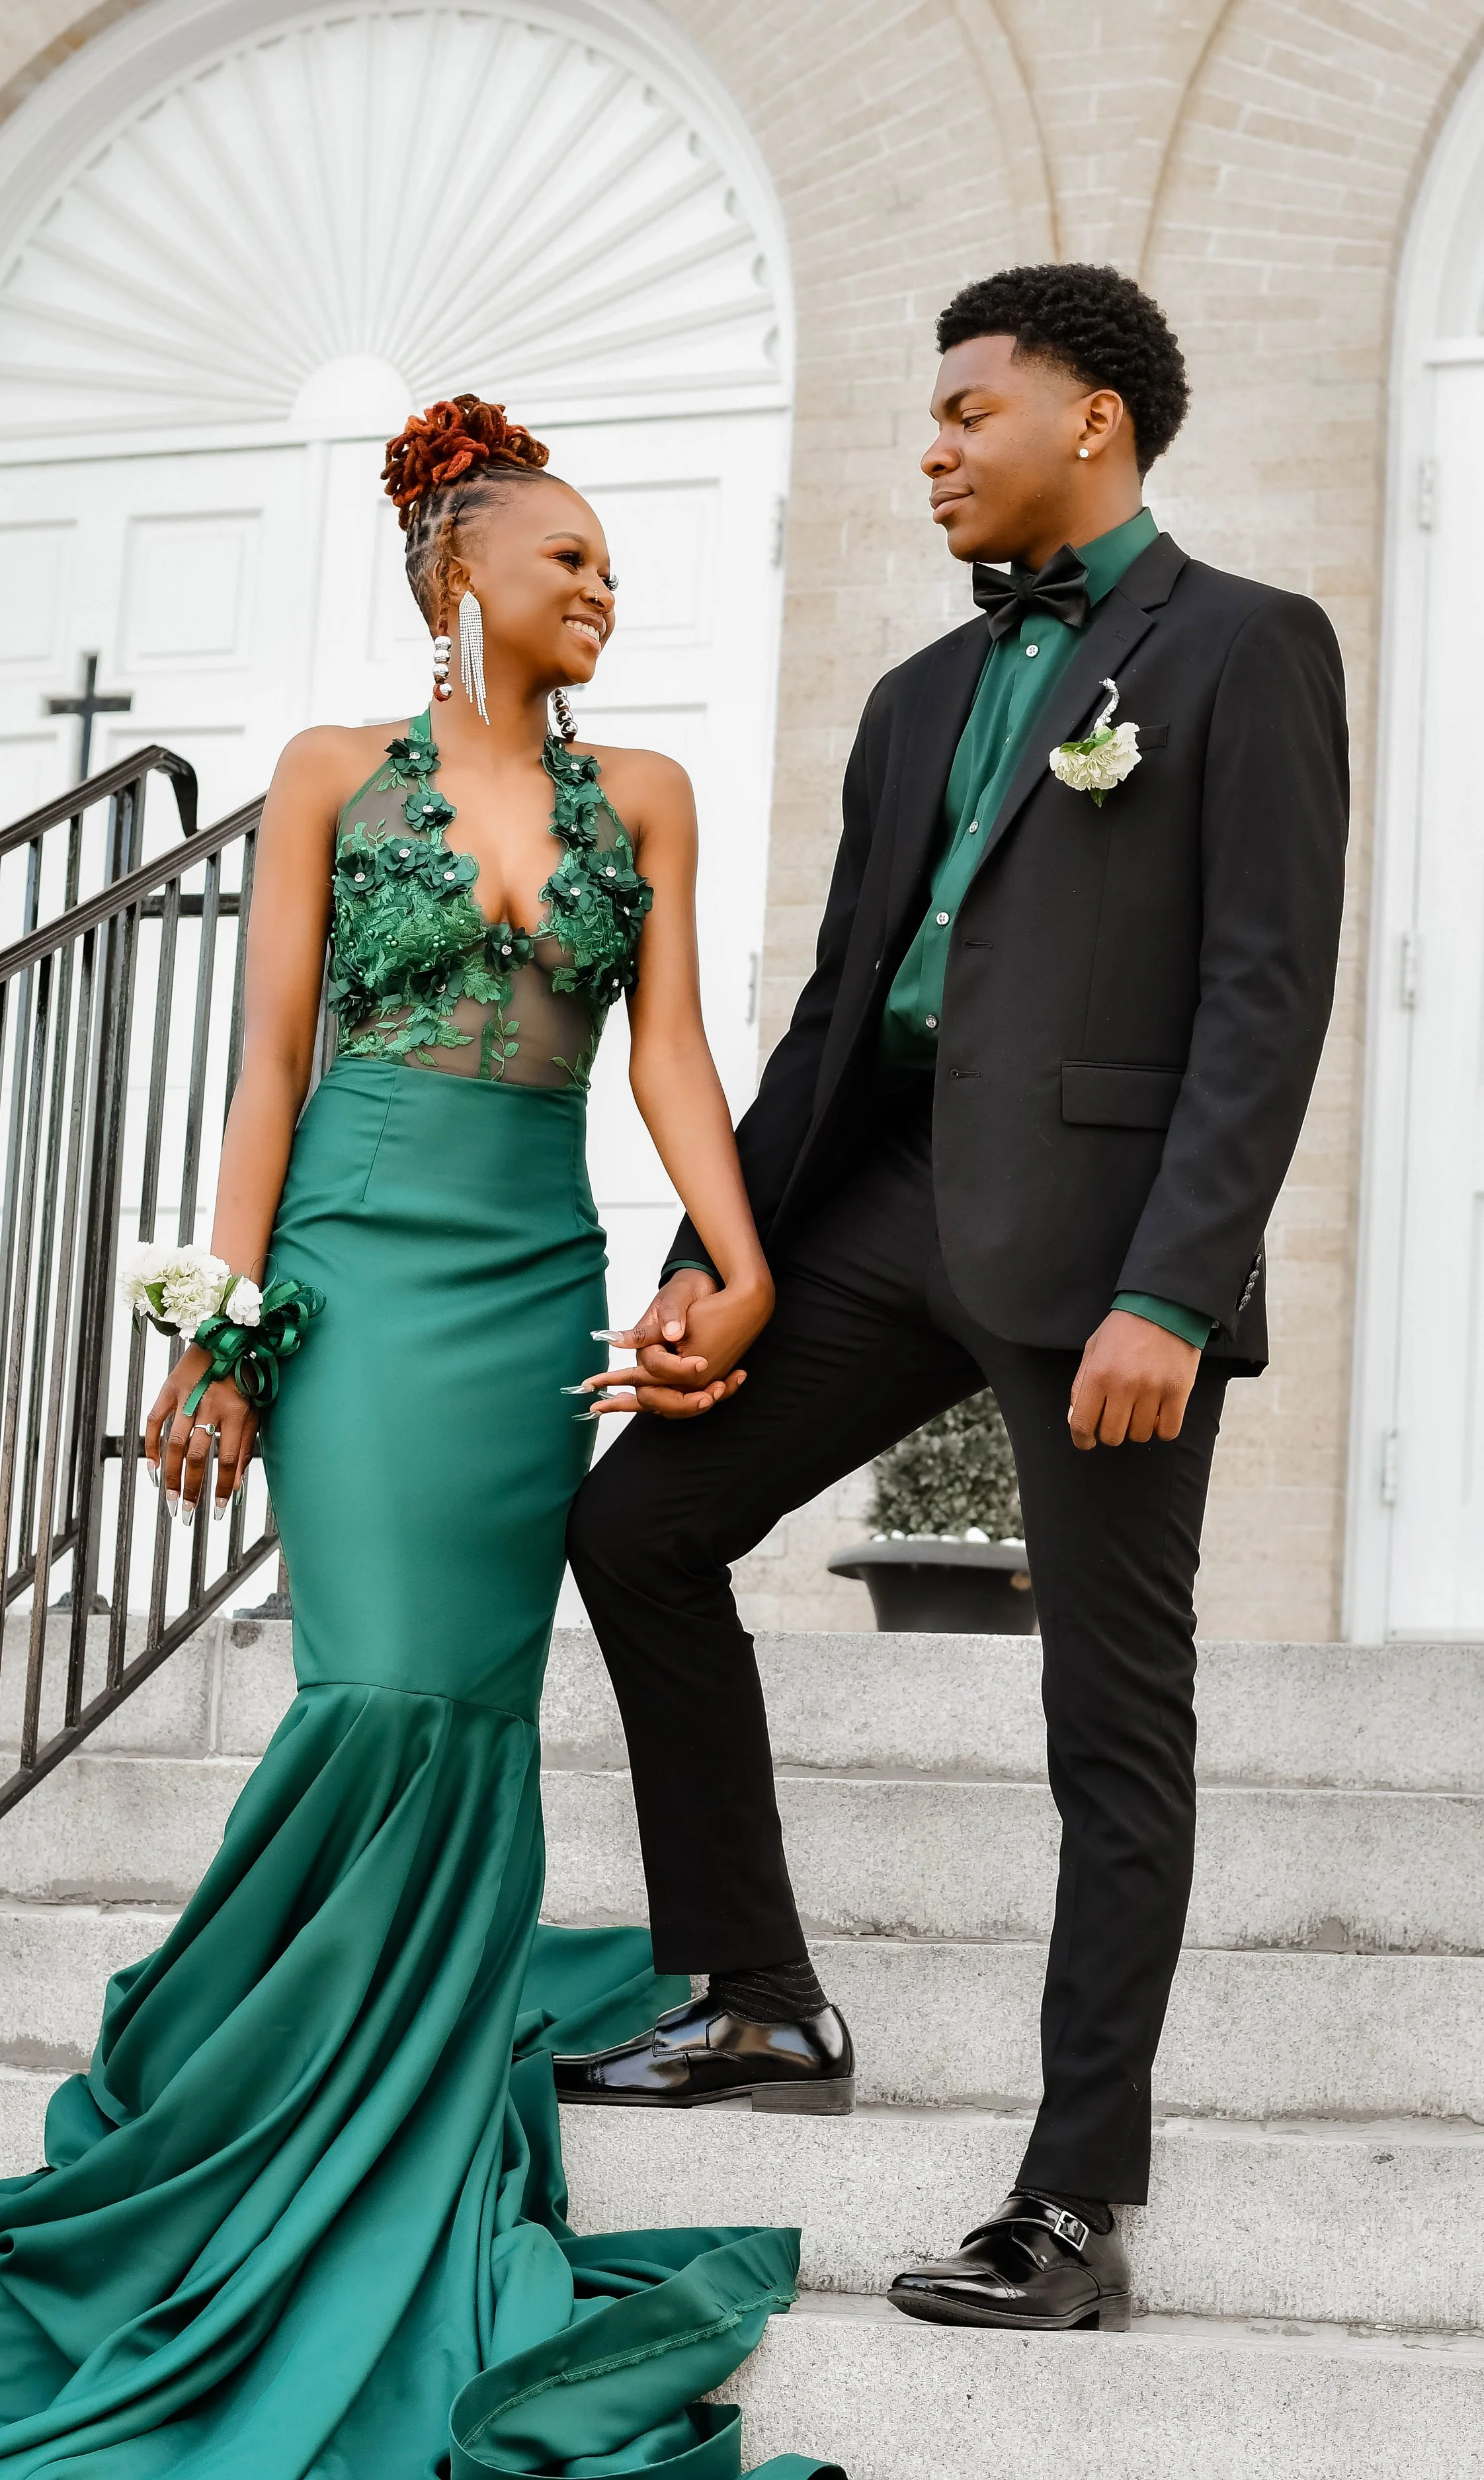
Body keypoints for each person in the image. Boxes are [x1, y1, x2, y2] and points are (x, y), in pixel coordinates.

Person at [0, 397, 841, 2480]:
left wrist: (731, 1271)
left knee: (466, 1698)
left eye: (608, 564)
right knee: (374, 1689)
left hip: (526, 1278)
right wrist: (224, 1324)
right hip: (359, 1278)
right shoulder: (324, 779)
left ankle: (399, 2073)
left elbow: (665, 1048)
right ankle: (250, 2082)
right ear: (463, 576)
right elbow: (268, 1055)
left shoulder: (638, 793)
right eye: (567, 558)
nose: (601, 586)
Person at [560, 263, 1350, 2336]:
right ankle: (757, 2001)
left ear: (1089, 419)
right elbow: (835, 1009)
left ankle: (1075, 2198)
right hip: (880, 1204)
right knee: (636, 1523)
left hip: (1101, 1257)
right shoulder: (919, 690)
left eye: (963, 415)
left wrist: (1173, 1290)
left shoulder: (1248, 647)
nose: (930, 451)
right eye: (925, 420)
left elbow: (1263, 995)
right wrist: (712, 1266)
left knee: (1109, 1723)